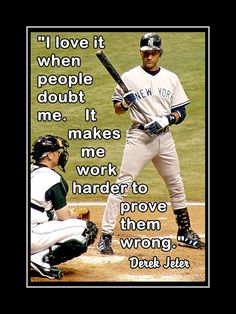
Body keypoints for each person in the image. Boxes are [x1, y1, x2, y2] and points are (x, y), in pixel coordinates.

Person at [98, 33, 205, 255]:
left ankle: (185, 231)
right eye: (146, 52)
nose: (149, 56)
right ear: (141, 53)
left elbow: (181, 112)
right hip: (139, 138)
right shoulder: (129, 77)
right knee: (122, 184)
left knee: (175, 183)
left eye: (153, 52)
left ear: (159, 54)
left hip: (164, 139)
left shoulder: (171, 78)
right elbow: (117, 109)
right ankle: (105, 236)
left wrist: (166, 119)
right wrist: (125, 104)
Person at [30, 134, 98, 279]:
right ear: (49, 156)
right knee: (88, 229)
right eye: (58, 152)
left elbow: (40, 209)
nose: (60, 155)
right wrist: (76, 214)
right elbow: (64, 216)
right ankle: (39, 259)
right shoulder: (53, 178)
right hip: (31, 237)